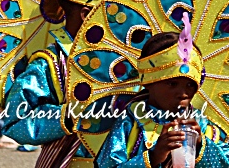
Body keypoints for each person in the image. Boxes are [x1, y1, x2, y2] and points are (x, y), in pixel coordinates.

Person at [0, 0, 118, 167]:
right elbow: (15, 121)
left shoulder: (124, 61)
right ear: (87, 15)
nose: (119, 23)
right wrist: (69, 115)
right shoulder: (49, 63)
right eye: (114, 14)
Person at [95, 28, 229, 167]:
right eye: (172, 83)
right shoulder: (130, 123)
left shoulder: (202, 126)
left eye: (190, 84)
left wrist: (201, 146)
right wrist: (153, 157)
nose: (183, 93)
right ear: (149, 83)